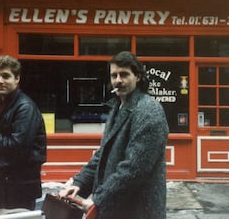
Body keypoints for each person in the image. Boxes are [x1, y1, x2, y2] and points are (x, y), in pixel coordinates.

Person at [59, 51, 169, 219]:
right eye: (114, 75)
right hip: (117, 209)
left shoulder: (148, 111)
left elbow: (134, 169)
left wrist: (99, 198)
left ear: (138, 77)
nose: (118, 80)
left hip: (138, 211)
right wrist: (79, 183)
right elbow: (103, 155)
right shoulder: (118, 107)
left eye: (124, 74)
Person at [0, 55, 47, 211]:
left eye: (6, 76)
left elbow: (16, 146)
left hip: (19, 185)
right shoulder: (5, 101)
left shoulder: (24, 107)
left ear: (17, 78)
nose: (0, 81)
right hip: (4, 181)